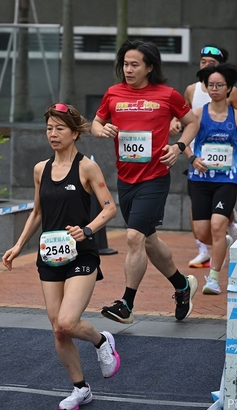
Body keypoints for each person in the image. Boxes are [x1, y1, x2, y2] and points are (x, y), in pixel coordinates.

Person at [2, 103, 120, 410]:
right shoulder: (40, 169)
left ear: (75, 132)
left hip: (81, 255)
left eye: (60, 129)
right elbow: (37, 212)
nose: (53, 134)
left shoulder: (86, 167)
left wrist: (87, 229)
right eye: (49, 129)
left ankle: (101, 341)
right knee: (58, 328)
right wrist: (19, 245)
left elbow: (110, 208)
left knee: (67, 321)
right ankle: (81, 388)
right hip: (49, 256)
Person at [92, 39, 199, 324]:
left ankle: (126, 305)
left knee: (133, 237)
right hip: (125, 179)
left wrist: (178, 147)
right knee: (148, 240)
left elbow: (192, 122)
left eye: (135, 65)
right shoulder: (113, 93)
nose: (128, 69)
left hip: (155, 178)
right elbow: (96, 123)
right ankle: (182, 286)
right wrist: (102, 130)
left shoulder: (167, 95)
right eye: (125, 64)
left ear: (149, 67)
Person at [182, 63, 237, 294]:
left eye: (219, 85)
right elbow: (183, 142)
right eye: (210, 85)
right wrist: (192, 159)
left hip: (226, 180)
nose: (214, 89)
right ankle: (224, 242)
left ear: (229, 89)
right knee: (202, 233)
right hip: (199, 180)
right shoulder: (197, 114)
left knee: (218, 226)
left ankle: (214, 279)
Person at [171, 45, 237, 268]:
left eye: (212, 63)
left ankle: (224, 235)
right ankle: (204, 248)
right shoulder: (191, 89)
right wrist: (175, 123)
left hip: (224, 163)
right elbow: (181, 115)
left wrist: (226, 123)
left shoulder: (232, 92)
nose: (206, 65)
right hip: (196, 157)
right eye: (203, 62)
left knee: (218, 216)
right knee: (197, 211)